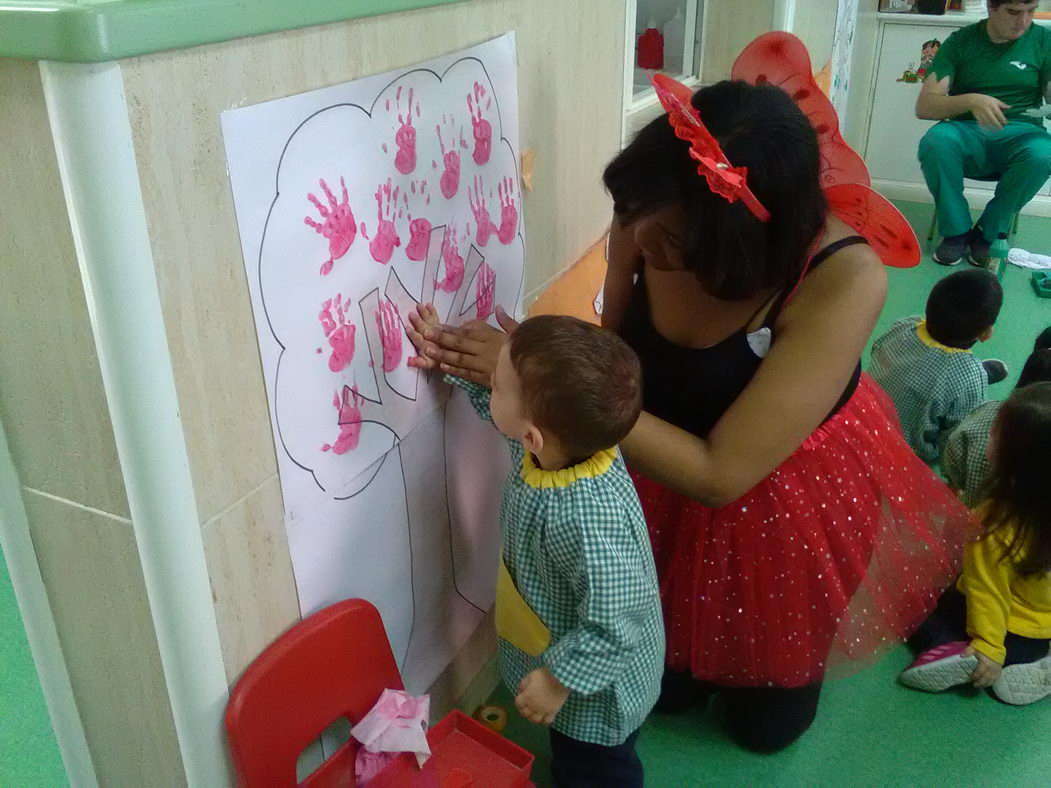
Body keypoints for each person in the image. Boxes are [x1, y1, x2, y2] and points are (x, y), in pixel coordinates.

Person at [410, 78, 974, 752]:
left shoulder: (842, 277)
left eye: (668, 243)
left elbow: (720, 474)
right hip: (653, 457)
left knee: (765, 729)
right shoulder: (653, 211)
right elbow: (611, 350)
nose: (638, 245)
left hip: (779, 494)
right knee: (661, 684)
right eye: (631, 218)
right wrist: (529, 364)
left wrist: (538, 384)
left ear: (736, 241)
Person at [417, 310, 663, 787]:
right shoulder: (556, 448)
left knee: (593, 769)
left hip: (597, 692)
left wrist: (557, 681)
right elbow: (506, 420)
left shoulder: (589, 521)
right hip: (566, 641)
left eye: (498, 385)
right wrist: (449, 362)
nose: (492, 384)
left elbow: (616, 625)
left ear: (534, 434)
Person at [899, 383, 1051, 706]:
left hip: (1006, 634)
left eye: (997, 435)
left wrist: (989, 646)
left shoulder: (996, 523)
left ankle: (964, 657)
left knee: (914, 601)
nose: (989, 437)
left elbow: (988, 590)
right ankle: (1037, 658)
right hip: (1038, 633)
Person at [916, 0, 1051, 266]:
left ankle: (988, 233)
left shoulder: (1044, 40)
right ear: (991, 7)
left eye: (1030, 11)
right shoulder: (961, 42)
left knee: (1044, 153)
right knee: (936, 142)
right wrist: (972, 101)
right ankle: (956, 232)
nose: (1023, 21)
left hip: (1021, 134)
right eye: (1013, 12)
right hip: (966, 130)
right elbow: (925, 106)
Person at [869, 269, 1008, 464]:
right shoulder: (969, 377)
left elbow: (875, 350)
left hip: (868, 419)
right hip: (914, 451)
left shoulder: (905, 324)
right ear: (986, 334)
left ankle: (956, 384)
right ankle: (972, 378)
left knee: (954, 381)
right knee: (965, 385)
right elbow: (959, 434)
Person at [943, 328, 1051, 506]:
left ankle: (978, 374)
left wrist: (956, 486)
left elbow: (953, 461)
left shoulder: (985, 417)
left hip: (971, 516)